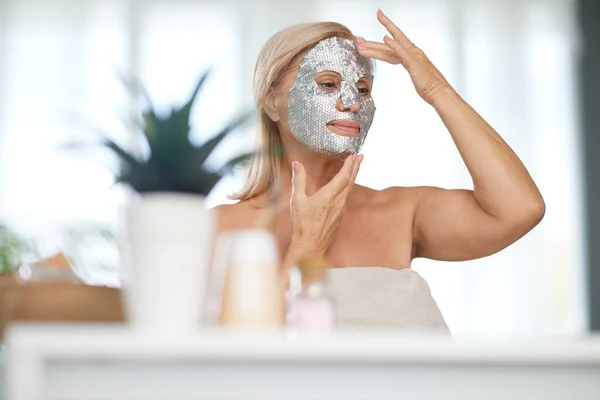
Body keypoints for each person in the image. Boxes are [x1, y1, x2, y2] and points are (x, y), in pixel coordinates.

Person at [215, 10, 545, 330]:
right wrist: (307, 246)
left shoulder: (401, 213)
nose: (353, 101)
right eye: (328, 84)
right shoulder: (223, 229)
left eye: (363, 88)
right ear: (271, 101)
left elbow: (519, 209)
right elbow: (238, 363)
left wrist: (436, 89)